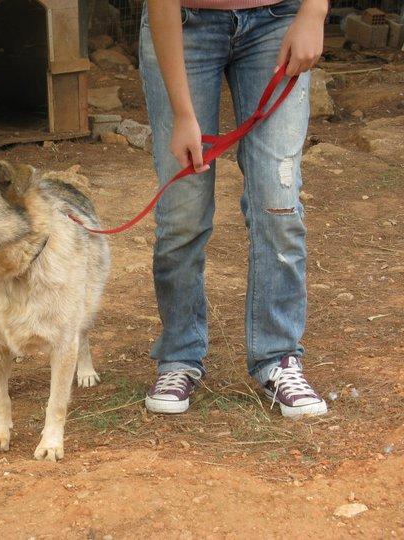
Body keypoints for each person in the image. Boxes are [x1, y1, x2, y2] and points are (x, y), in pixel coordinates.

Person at [140, 0, 329, 417]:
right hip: (183, 25)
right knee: (182, 210)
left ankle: (278, 355)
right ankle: (179, 354)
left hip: (279, 19)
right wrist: (183, 116)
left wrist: (313, 13)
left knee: (277, 203)